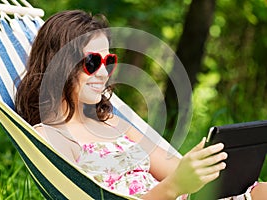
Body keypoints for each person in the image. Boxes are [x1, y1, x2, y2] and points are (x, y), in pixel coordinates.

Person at [15, 10, 267, 199]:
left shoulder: (111, 121)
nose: (103, 73)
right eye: (92, 63)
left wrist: (203, 161)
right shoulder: (49, 137)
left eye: (108, 61)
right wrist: (176, 185)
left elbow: (173, 168)